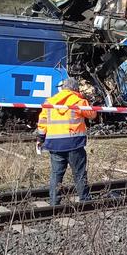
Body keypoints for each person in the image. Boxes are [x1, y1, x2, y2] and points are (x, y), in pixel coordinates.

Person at [36, 77, 97, 207]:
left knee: (56, 175)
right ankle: (84, 200)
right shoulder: (78, 101)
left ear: (63, 88)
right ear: (75, 88)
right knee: (79, 173)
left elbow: (42, 123)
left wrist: (40, 139)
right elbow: (92, 115)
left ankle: (54, 202)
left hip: (55, 145)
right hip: (74, 143)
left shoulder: (49, 102)